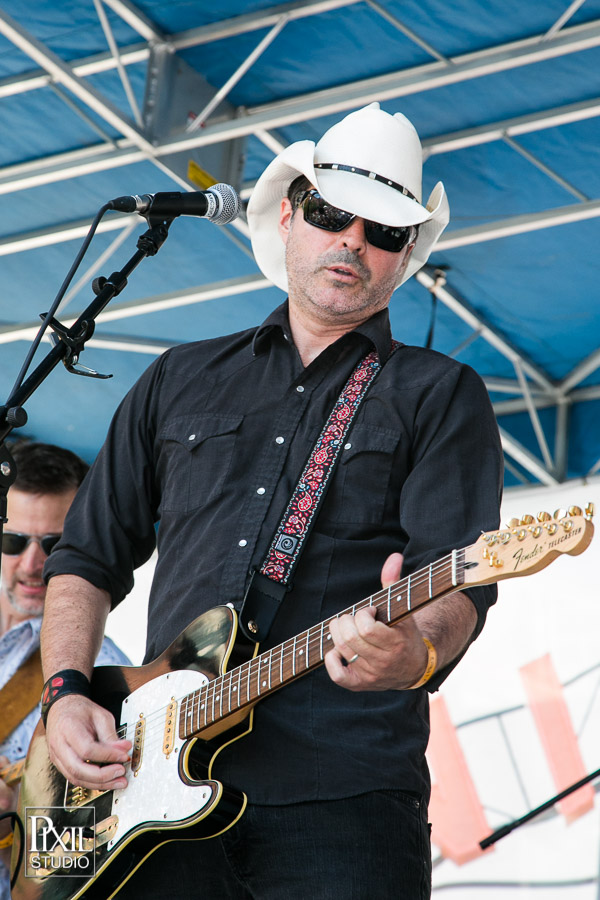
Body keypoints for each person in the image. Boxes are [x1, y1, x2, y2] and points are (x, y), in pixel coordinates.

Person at [40, 102, 503, 899]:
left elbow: (458, 576)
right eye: (330, 214)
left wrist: (418, 654)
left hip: (342, 796)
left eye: (383, 231)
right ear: (288, 215)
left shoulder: (438, 392)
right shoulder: (178, 376)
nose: (351, 241)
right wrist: (65, 693)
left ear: (405, 255)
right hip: (148, 795)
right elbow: (85, 557)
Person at [0, 442, 130, 899]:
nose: (33, 564)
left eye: (55, 545)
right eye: (13, 541)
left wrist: (16, 814)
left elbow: (98, 851)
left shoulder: (105, 671)